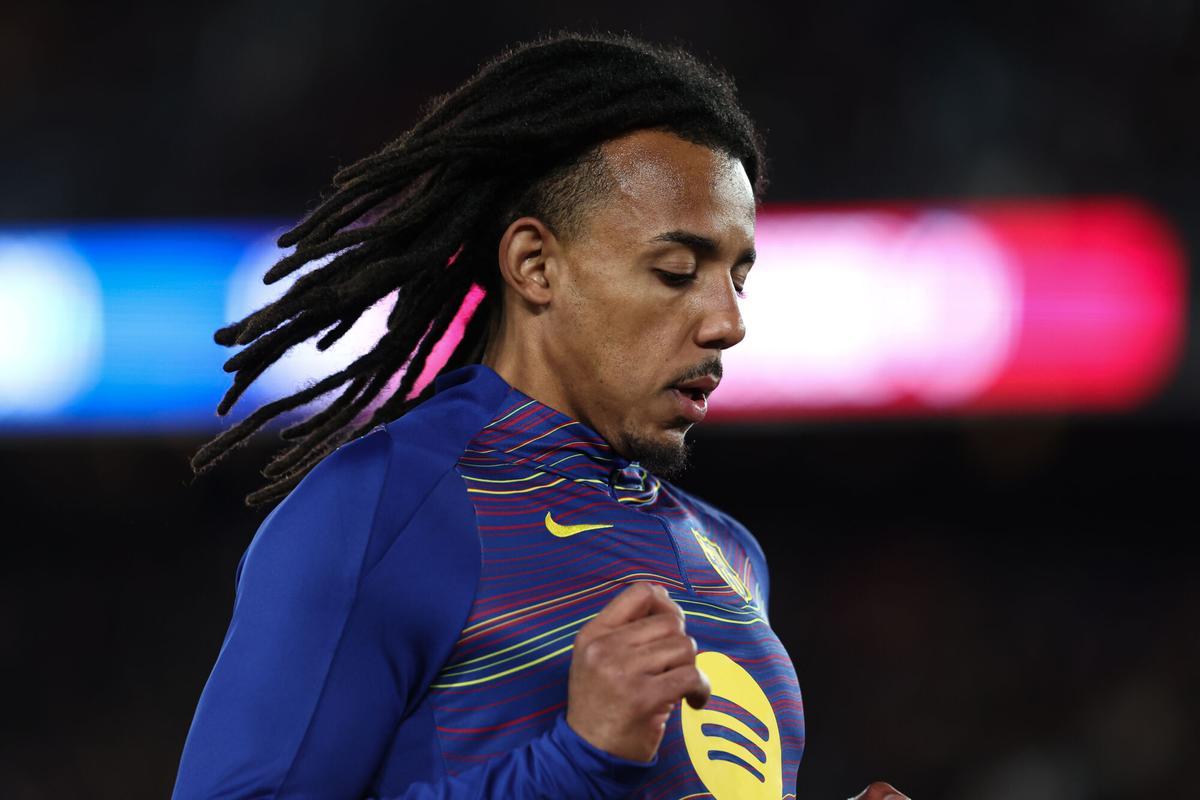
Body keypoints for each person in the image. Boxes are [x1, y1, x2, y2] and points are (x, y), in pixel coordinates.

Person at [173, 31, 908, 800]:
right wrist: (574, 762)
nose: (727, 322)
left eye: (738, 278)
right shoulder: (385, 508)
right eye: (677, 272)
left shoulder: (731, 553)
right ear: (535, 265)